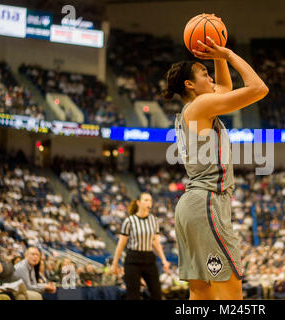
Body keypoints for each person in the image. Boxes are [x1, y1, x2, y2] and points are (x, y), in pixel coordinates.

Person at [164, 33, 268, 300]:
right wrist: (230, 55)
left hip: (192, 206)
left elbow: (224, 86)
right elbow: (258, 89)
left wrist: (217, 57)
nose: (211, 79)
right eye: (204, 74)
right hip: (207, 203)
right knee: (230, 294)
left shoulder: (196, 107)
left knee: (201, 295)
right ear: (189, 84)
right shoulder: (201, 105)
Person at [111, 192, 170, 300]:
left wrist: (164, 260)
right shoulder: (129, 221)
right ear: (138, 202)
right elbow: (121, 243)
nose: (149, 202)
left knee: (157, 293)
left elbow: (156, 242)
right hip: (133, 259)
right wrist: (114, 264)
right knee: (133, 295)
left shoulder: (154, 220)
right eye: (146, 200)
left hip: (149, 258)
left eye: (150, 200)